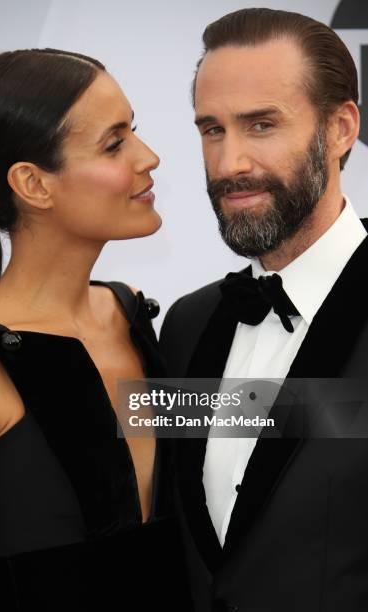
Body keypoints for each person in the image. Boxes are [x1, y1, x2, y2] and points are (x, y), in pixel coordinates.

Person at [0, 48, 193, 611]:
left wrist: (346, 406)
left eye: (133, 131)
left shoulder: (130, 313)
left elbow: (242, 425)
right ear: (33, 184)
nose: (150, 157)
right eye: (115, 143)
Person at [160, 8, 368, 612]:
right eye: (212, 130)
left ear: (340, 129)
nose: (229, 166)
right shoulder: (187, 324)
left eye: (261, 125)